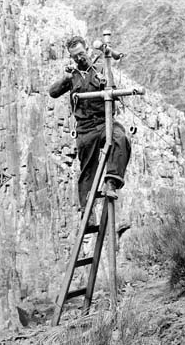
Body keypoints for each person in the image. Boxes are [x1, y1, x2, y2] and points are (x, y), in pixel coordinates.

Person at [49, 35, 131, 218]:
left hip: (104, 122)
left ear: (86, 50)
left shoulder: (101, 68)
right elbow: (53, 92)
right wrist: (66, 78)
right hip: (85, 128)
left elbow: (114, 93)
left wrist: (107, 86)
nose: (79, 58)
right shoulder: (73, 76)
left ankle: (111, 181)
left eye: (81, 53)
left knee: (121, 138)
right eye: (75, 56)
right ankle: (88, 211)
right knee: (87, 169)